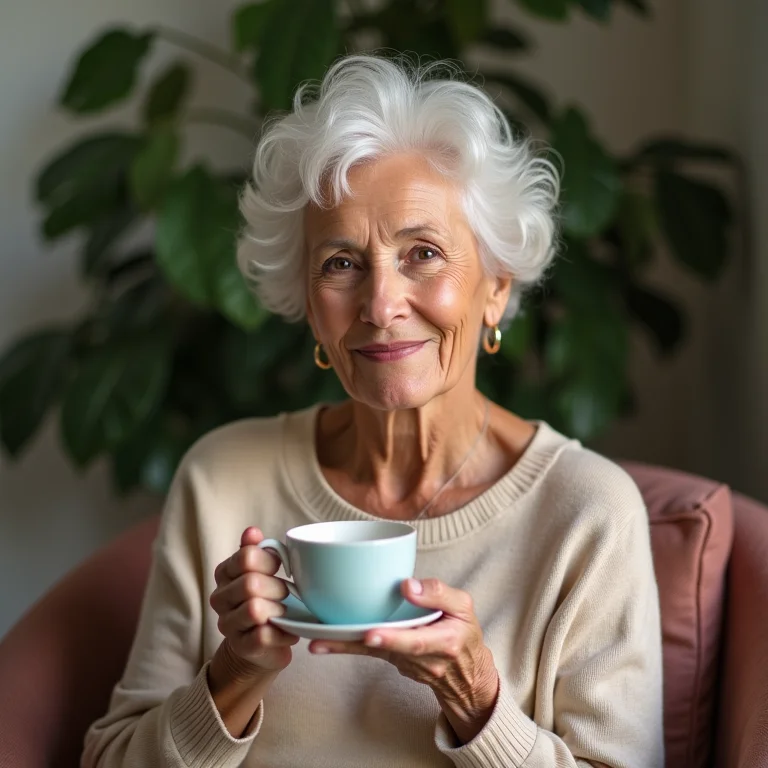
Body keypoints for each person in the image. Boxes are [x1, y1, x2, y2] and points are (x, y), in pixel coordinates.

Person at [82, 54, 664, 768]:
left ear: (494, 290)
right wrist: (235, 673)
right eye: (340, 263)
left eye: (422, 252)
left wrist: (479, 703)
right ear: (307, 304)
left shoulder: (589, 515)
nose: (381, 305)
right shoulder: (222, 477)